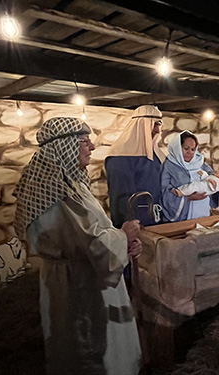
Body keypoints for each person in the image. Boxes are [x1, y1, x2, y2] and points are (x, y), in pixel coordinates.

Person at [14, 117, 143, 374]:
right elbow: (90, 244)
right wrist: (123, 236)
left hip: (88, 277)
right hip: (78, 286)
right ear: (65, 146)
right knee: (87, 349)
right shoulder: (54, 194)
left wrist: (124, 245)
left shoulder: (71, 184)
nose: (92, 147)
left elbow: (93, 233)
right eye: (84, 141)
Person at [105, 105, 165, 227]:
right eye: (154, 125)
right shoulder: (120, 157)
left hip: (158, 219)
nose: (158, 130)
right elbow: (120, 199)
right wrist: (129, 225)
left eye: (159, 125)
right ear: (141, 125)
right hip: (137, 223)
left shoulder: (156, 154)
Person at [161, 131, 219, 221]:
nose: (190, 152)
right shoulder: (169, 165)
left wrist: (215, 182)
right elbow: (164, 190)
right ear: (177, 147)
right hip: (183, 215)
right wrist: (187, 198)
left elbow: (212, 177)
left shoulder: (200, 163)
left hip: (202, 211)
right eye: (186, 148)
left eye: (193, 149)